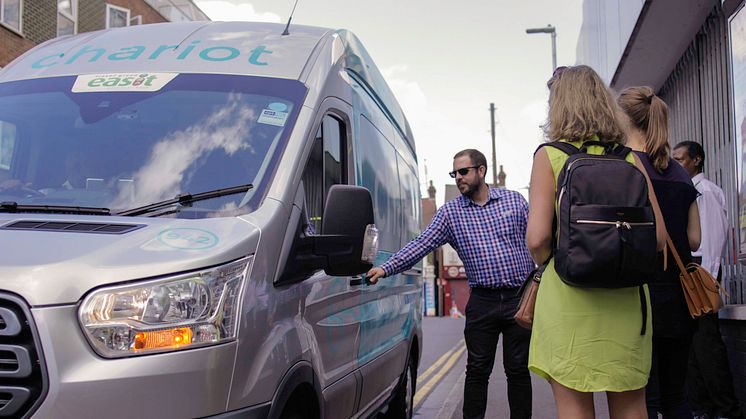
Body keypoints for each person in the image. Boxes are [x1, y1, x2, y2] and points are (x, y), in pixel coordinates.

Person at [526, 66, 665, 419]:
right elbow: (659, 238)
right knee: (632, 406)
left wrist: (552, 261)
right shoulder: (629, 159)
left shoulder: (550, 156)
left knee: (574, 408)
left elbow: (538, 237)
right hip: (626, 301)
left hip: (570, 299)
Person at [367, 149, 535, 419]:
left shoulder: (514, 201)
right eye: (454, 173)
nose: (458, 177)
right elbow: (421, 244)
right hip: (483, 302)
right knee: (478, 370)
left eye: (463, 171)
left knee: (517, 369)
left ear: (481, 171)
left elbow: (538, 240)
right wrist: (386, 268)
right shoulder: (450, 214)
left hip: (520, 297)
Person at [617, 86, 701, 418]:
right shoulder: (681, 174)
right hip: (680, 299)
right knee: (676, 396)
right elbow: (694, 240)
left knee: (644, 399)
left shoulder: (624, 167)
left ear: (622, 118)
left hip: (638, 299)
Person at [673, 141, 745, 419]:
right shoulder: (689, 191)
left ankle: (727, 409)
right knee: (692, 349)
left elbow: (713, 241)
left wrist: (708, 284)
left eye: (680, 159)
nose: (676, 164)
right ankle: (703, 408)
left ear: (697, 160)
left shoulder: (707, 192)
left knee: (708, 348)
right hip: (690, 275)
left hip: (702, 276)